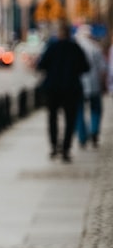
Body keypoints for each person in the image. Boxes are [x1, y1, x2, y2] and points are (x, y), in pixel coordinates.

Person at [36, 19, 89, 162]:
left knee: (52, 118)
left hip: (53, 88)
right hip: (71, 88)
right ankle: (66, 149)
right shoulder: (75, 48)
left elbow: (41, 65)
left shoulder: (52, 47)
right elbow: (85, 67)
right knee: (70, 119)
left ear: (59, 33)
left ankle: (54, 146)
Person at [75, 25, 105, 147]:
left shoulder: (76, 47)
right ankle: (94, 131)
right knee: (96, 109)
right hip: (94, 84)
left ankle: (82, 137)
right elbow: (102, 68)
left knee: (79, 111)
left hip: (78, 85)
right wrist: (103, 84)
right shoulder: (95, 48)